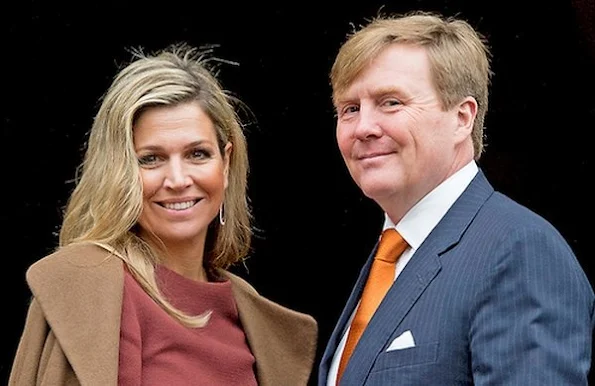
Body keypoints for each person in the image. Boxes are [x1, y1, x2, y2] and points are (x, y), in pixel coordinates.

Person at [9, 43, 317, 386]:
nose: (178, 180)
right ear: (119, 170)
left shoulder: (251, 318)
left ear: (226, 162)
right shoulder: (86, 292)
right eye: (151, 159)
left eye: (197, 154)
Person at [318, 10, 594, 385]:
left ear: (462, 118)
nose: (363, 127)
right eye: (349, 109)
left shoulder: (518, 250)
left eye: (391, 103)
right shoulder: (391, 254)